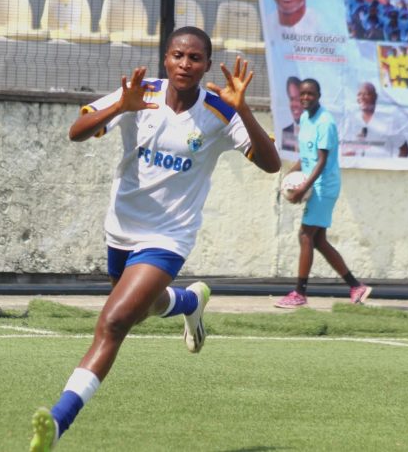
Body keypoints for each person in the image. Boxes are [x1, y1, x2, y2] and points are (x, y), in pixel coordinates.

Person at [29, 26, 281, 451]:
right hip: (122, 229)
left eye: (195, 58)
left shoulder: (220, 111)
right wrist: (118, 108)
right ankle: (187, 302)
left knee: (114, 322)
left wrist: (245, 111)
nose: (185, 64)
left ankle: (57, 422)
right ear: (166, 58)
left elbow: (271, 164)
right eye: (178, 55)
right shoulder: (139, 94)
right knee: (142, 310)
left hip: (169, 237)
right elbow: (76, 132)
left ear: (206, 64)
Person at [274, 78, 372, 308]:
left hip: (324, 187)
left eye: (310, 94)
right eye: (302, 94)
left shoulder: (325, 122)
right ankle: (356, 286)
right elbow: (306, 157)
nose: (305, 97)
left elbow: (321, 161)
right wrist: (289, 177)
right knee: (318, 240)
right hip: (313, 185)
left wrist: (303, 188)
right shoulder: (305, 118)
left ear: (319, 96)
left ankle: (300, 293)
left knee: (305, 235)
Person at [281, 76, 302, 152]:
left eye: (298, 99)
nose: (295, 104)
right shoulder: (286, 132)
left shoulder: (317, 131)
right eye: (292, 99)